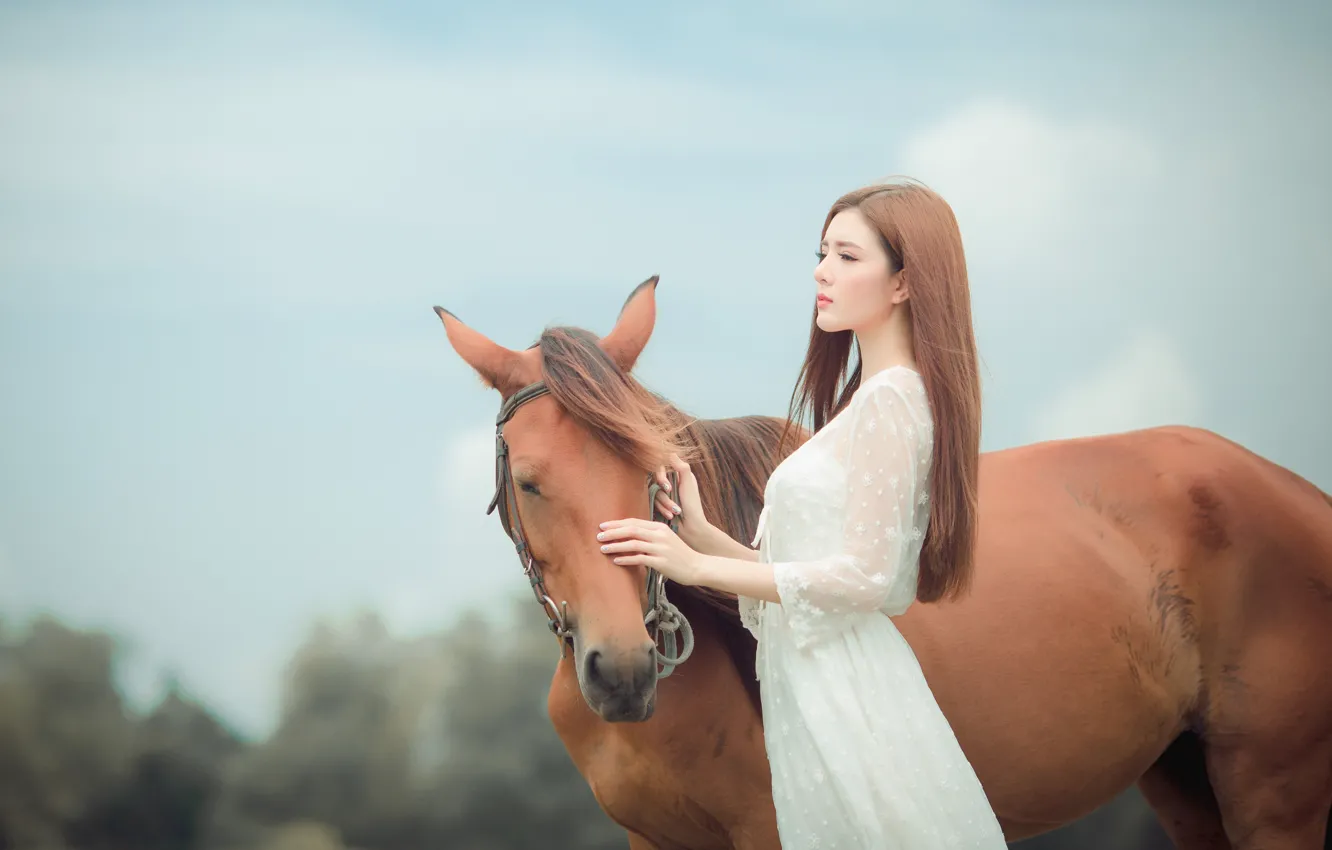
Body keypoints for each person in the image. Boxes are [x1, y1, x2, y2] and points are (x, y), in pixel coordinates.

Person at [595, 179, 1008, 847]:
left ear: (904, 283)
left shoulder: (891, 404)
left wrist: (693, 563)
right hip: (812, 687)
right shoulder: (868, 404)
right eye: (822, 254)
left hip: (849, 694)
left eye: (848, 257)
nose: (822, 271)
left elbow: (865, 581)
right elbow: (804, 582)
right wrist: (702, 535)